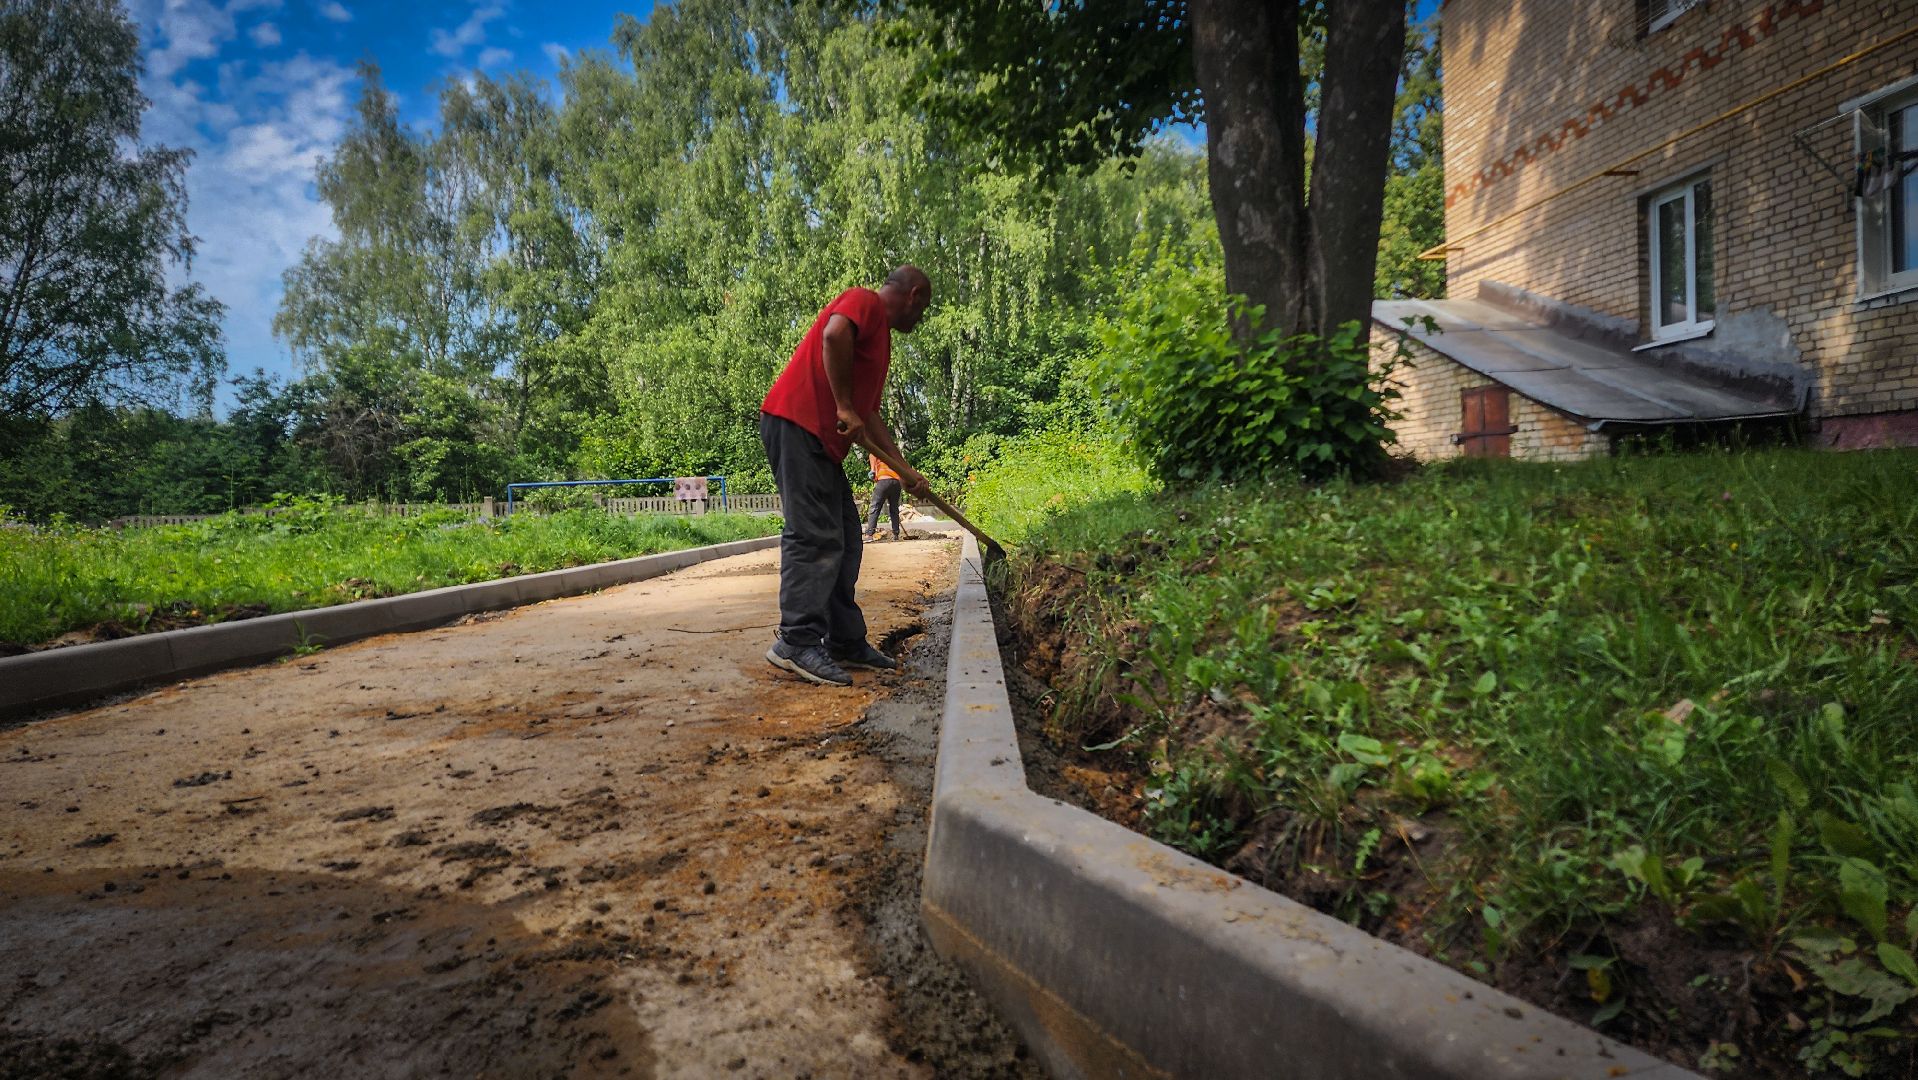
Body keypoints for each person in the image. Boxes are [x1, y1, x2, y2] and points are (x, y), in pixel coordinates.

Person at [759, 265, 933, 687]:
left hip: (819, 442)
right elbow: (834, 334)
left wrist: (905, 471)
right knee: (814, 534)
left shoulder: (880, 342)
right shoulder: (865, 301)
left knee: (847, 537)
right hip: (797, 423)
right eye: (923, 308)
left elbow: (867, 415)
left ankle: (844, 640)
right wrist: (842, 405)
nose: (921, 318)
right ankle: (796, 641)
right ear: (913, 294)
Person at [864, 452, 903, 543]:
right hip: (896, 482)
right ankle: (896, 534)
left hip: (884, 480)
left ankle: (869, 534)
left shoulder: (874, 452)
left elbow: (873, 471)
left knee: (875, 507)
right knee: (894, 508)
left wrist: (872, 472)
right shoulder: (892, 452)